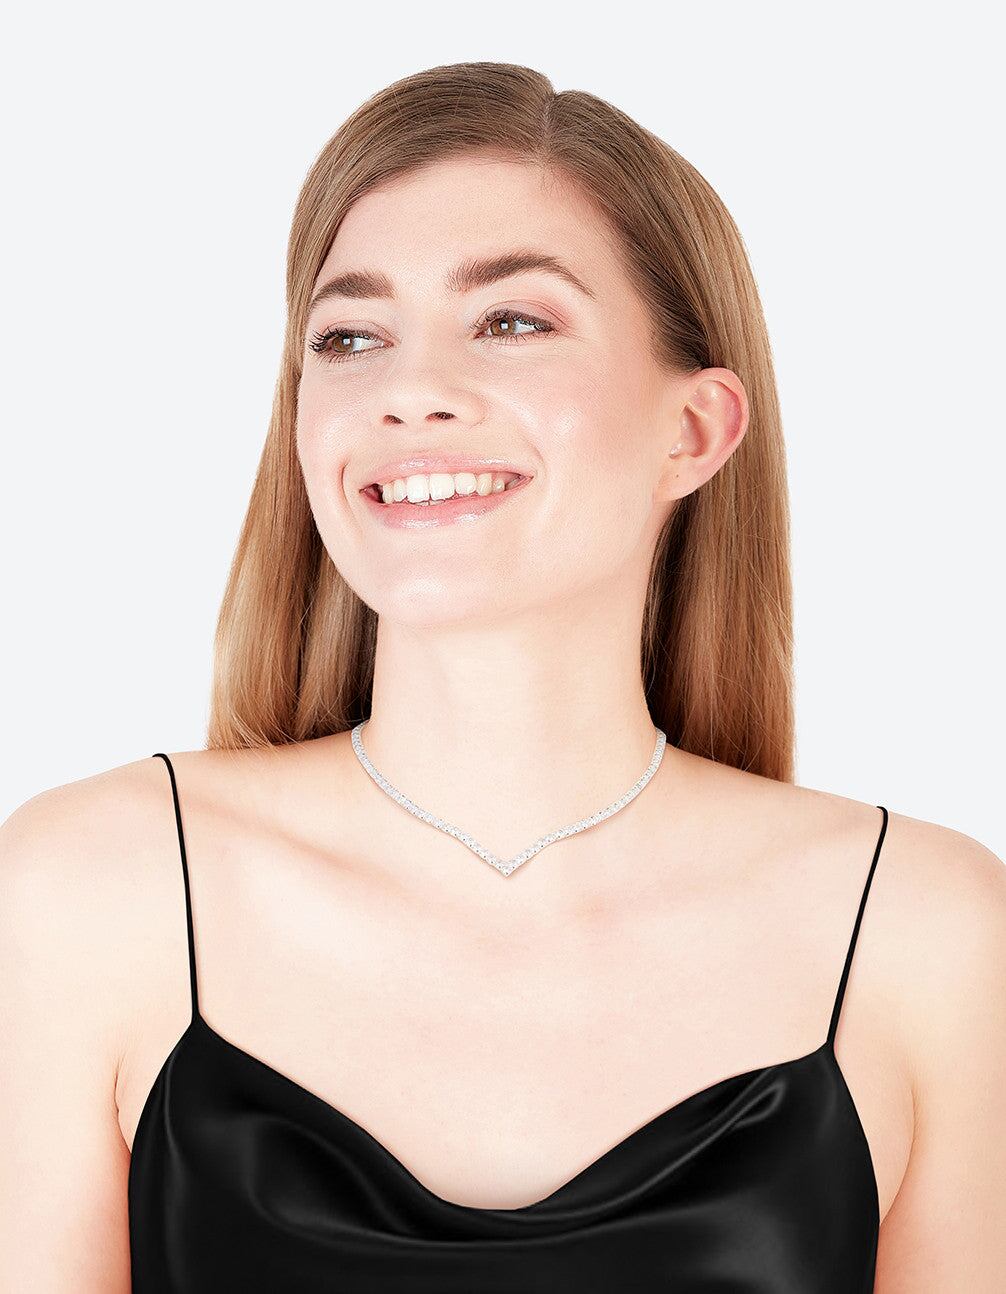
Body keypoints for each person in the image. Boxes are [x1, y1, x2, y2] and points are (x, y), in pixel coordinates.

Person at [2, 61, 1003, 1293]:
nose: (410, 391)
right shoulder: (92, 890)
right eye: (350, 337)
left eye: (511, 321)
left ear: (693, 429)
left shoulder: (921, 929)